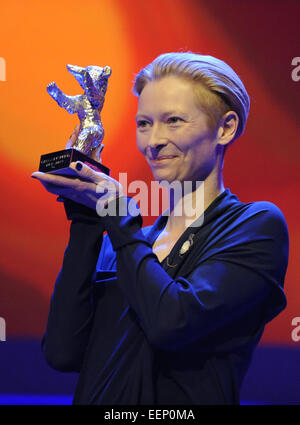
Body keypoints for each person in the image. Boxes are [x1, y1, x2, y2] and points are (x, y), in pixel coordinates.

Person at [31, 52, 289, 405]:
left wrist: (119, 216)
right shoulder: (128, 241)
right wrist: (87, 222)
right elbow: (63, 353)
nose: (153, 141)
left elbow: (173, 324)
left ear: (225, 128)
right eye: (144, 124)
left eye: (173, 121)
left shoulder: (255, 226)